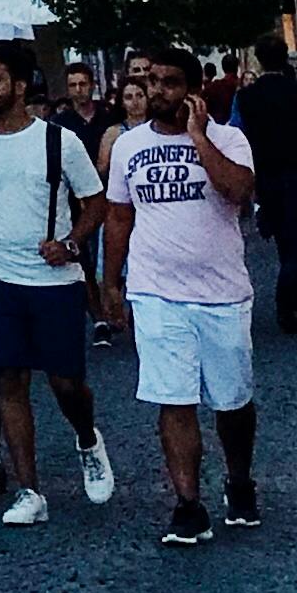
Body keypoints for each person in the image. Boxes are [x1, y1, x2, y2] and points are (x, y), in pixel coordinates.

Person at [103, 49, 260, 547]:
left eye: (170, 83)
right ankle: (188, 504)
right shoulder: (129, 146)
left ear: (193, 89)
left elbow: (239, 191)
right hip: (156, 291)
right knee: (173, 397)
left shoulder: (229, 139)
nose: (158, 91)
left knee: (232, 399)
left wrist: (198, 137)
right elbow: (118, 216)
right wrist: (111, 282)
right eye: (152, 82)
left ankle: (239, 481)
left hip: (221, 292)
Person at [0, 47, 111, 525]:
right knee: (9, 379)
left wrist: (70, 243)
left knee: (66, 382)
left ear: (21, 85)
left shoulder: (58, 141)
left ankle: (86, 437)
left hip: (53, 280)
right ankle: (30, 491)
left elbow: (96, 202)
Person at [235, 42, 297, 333]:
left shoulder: (244, 98)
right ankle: (289, 300)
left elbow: (235, 134)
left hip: (266, 175)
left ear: (259, 61)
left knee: (283, 240)